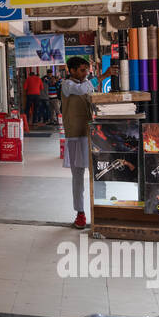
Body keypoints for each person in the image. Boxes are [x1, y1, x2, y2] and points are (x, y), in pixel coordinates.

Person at [62, 56, 115, 229]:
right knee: (78, 178)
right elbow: (81, 89)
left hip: (92, 136)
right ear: (72, 71)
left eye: (87, 70)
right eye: (82, 70)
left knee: (100, 174)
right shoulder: (67, 85)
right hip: (76, 137)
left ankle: (102, 211)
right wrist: (104, 75)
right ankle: (80, 213)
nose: (86, 73)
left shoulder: (86, 86)